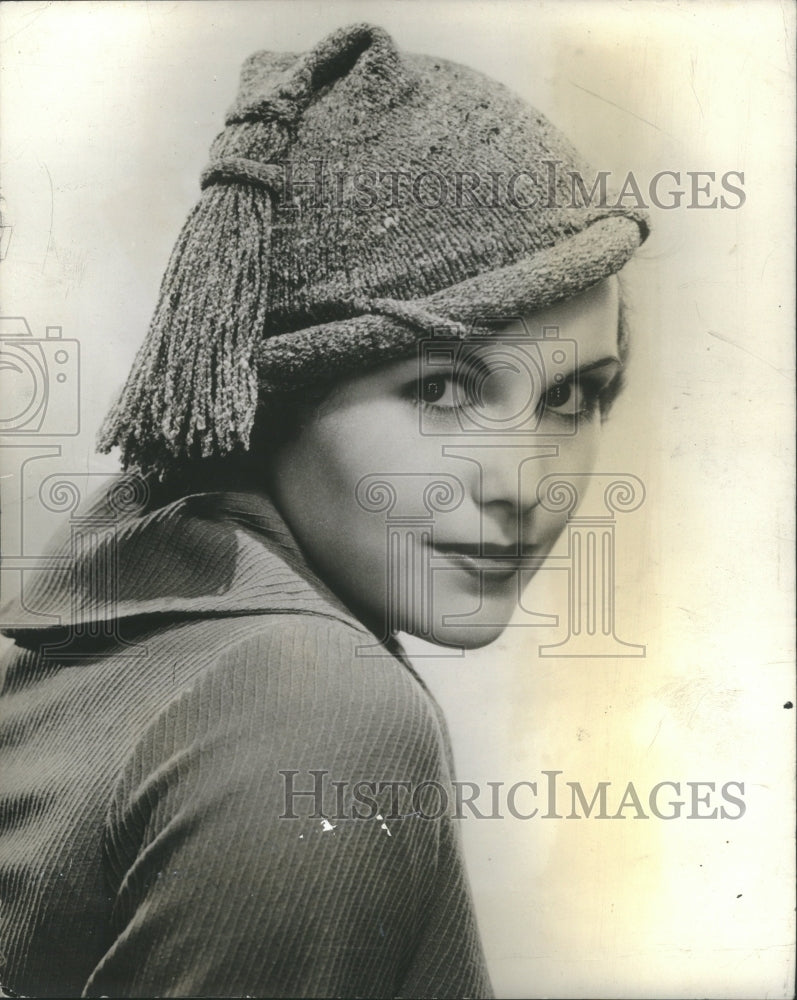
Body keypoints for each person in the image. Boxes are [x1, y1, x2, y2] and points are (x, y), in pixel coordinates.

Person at [0, 23, 648, 999]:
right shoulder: (317, 713)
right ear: (277, 400)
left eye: (570, 396)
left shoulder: (129, 623)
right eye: (437, 391)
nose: (521, 481)